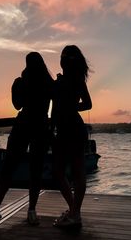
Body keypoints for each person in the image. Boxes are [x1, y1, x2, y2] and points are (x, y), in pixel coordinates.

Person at [0, 52, 53, 231]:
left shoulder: (21, 81)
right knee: (35, 170)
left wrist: (19, 85)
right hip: (41, 126)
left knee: (8, 169)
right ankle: (31, 210)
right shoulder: (49, 83)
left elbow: (17, 105)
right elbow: (52, 108)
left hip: (24, 124)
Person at [51, 45, 92, 228]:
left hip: (66, 131)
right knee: (77, 172)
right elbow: (88, 104)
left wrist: (52, 128)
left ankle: (74, 213)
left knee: (60, 172)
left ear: (63, 62)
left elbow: (55, 110)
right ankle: (75, 212)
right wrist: (73, 107)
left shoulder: (59, 83)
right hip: (75, 128)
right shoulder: (78, 81)